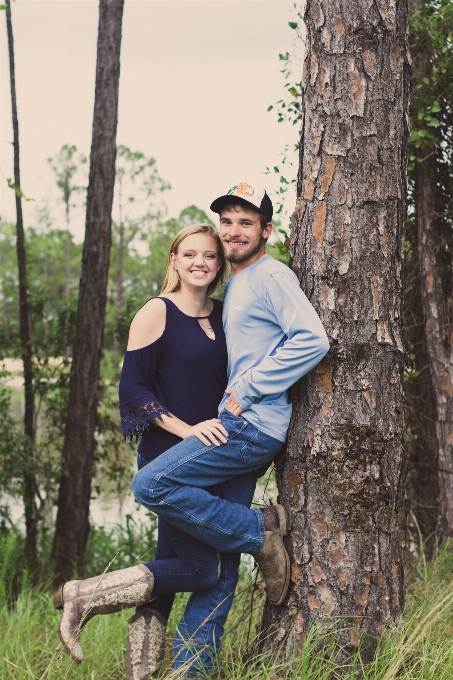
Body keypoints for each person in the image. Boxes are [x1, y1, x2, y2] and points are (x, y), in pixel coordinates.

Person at [132, 183, 330, 669]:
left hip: (250, 426)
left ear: (266, 230)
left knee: (151, 482)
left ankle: (260, 531)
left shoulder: (270, 274)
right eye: (227, 221)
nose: (234, 231)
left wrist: (250, 387)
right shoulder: (235, 285)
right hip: (239, 426)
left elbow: (312, 339)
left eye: (246, 222)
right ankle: (193, 669)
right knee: (218, 570)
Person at [54, 222, 250, 679]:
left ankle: (138, 674)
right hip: (172, 458)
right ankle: (84, 594)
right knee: (201, 570)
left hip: (216, 454)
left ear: (220, 264)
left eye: (210, 255)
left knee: (170, 566)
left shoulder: (224, 313)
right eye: (190, 254)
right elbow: (134, 392)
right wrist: (187, 431)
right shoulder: (156, 311)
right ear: (174, 261)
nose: (200, 262)